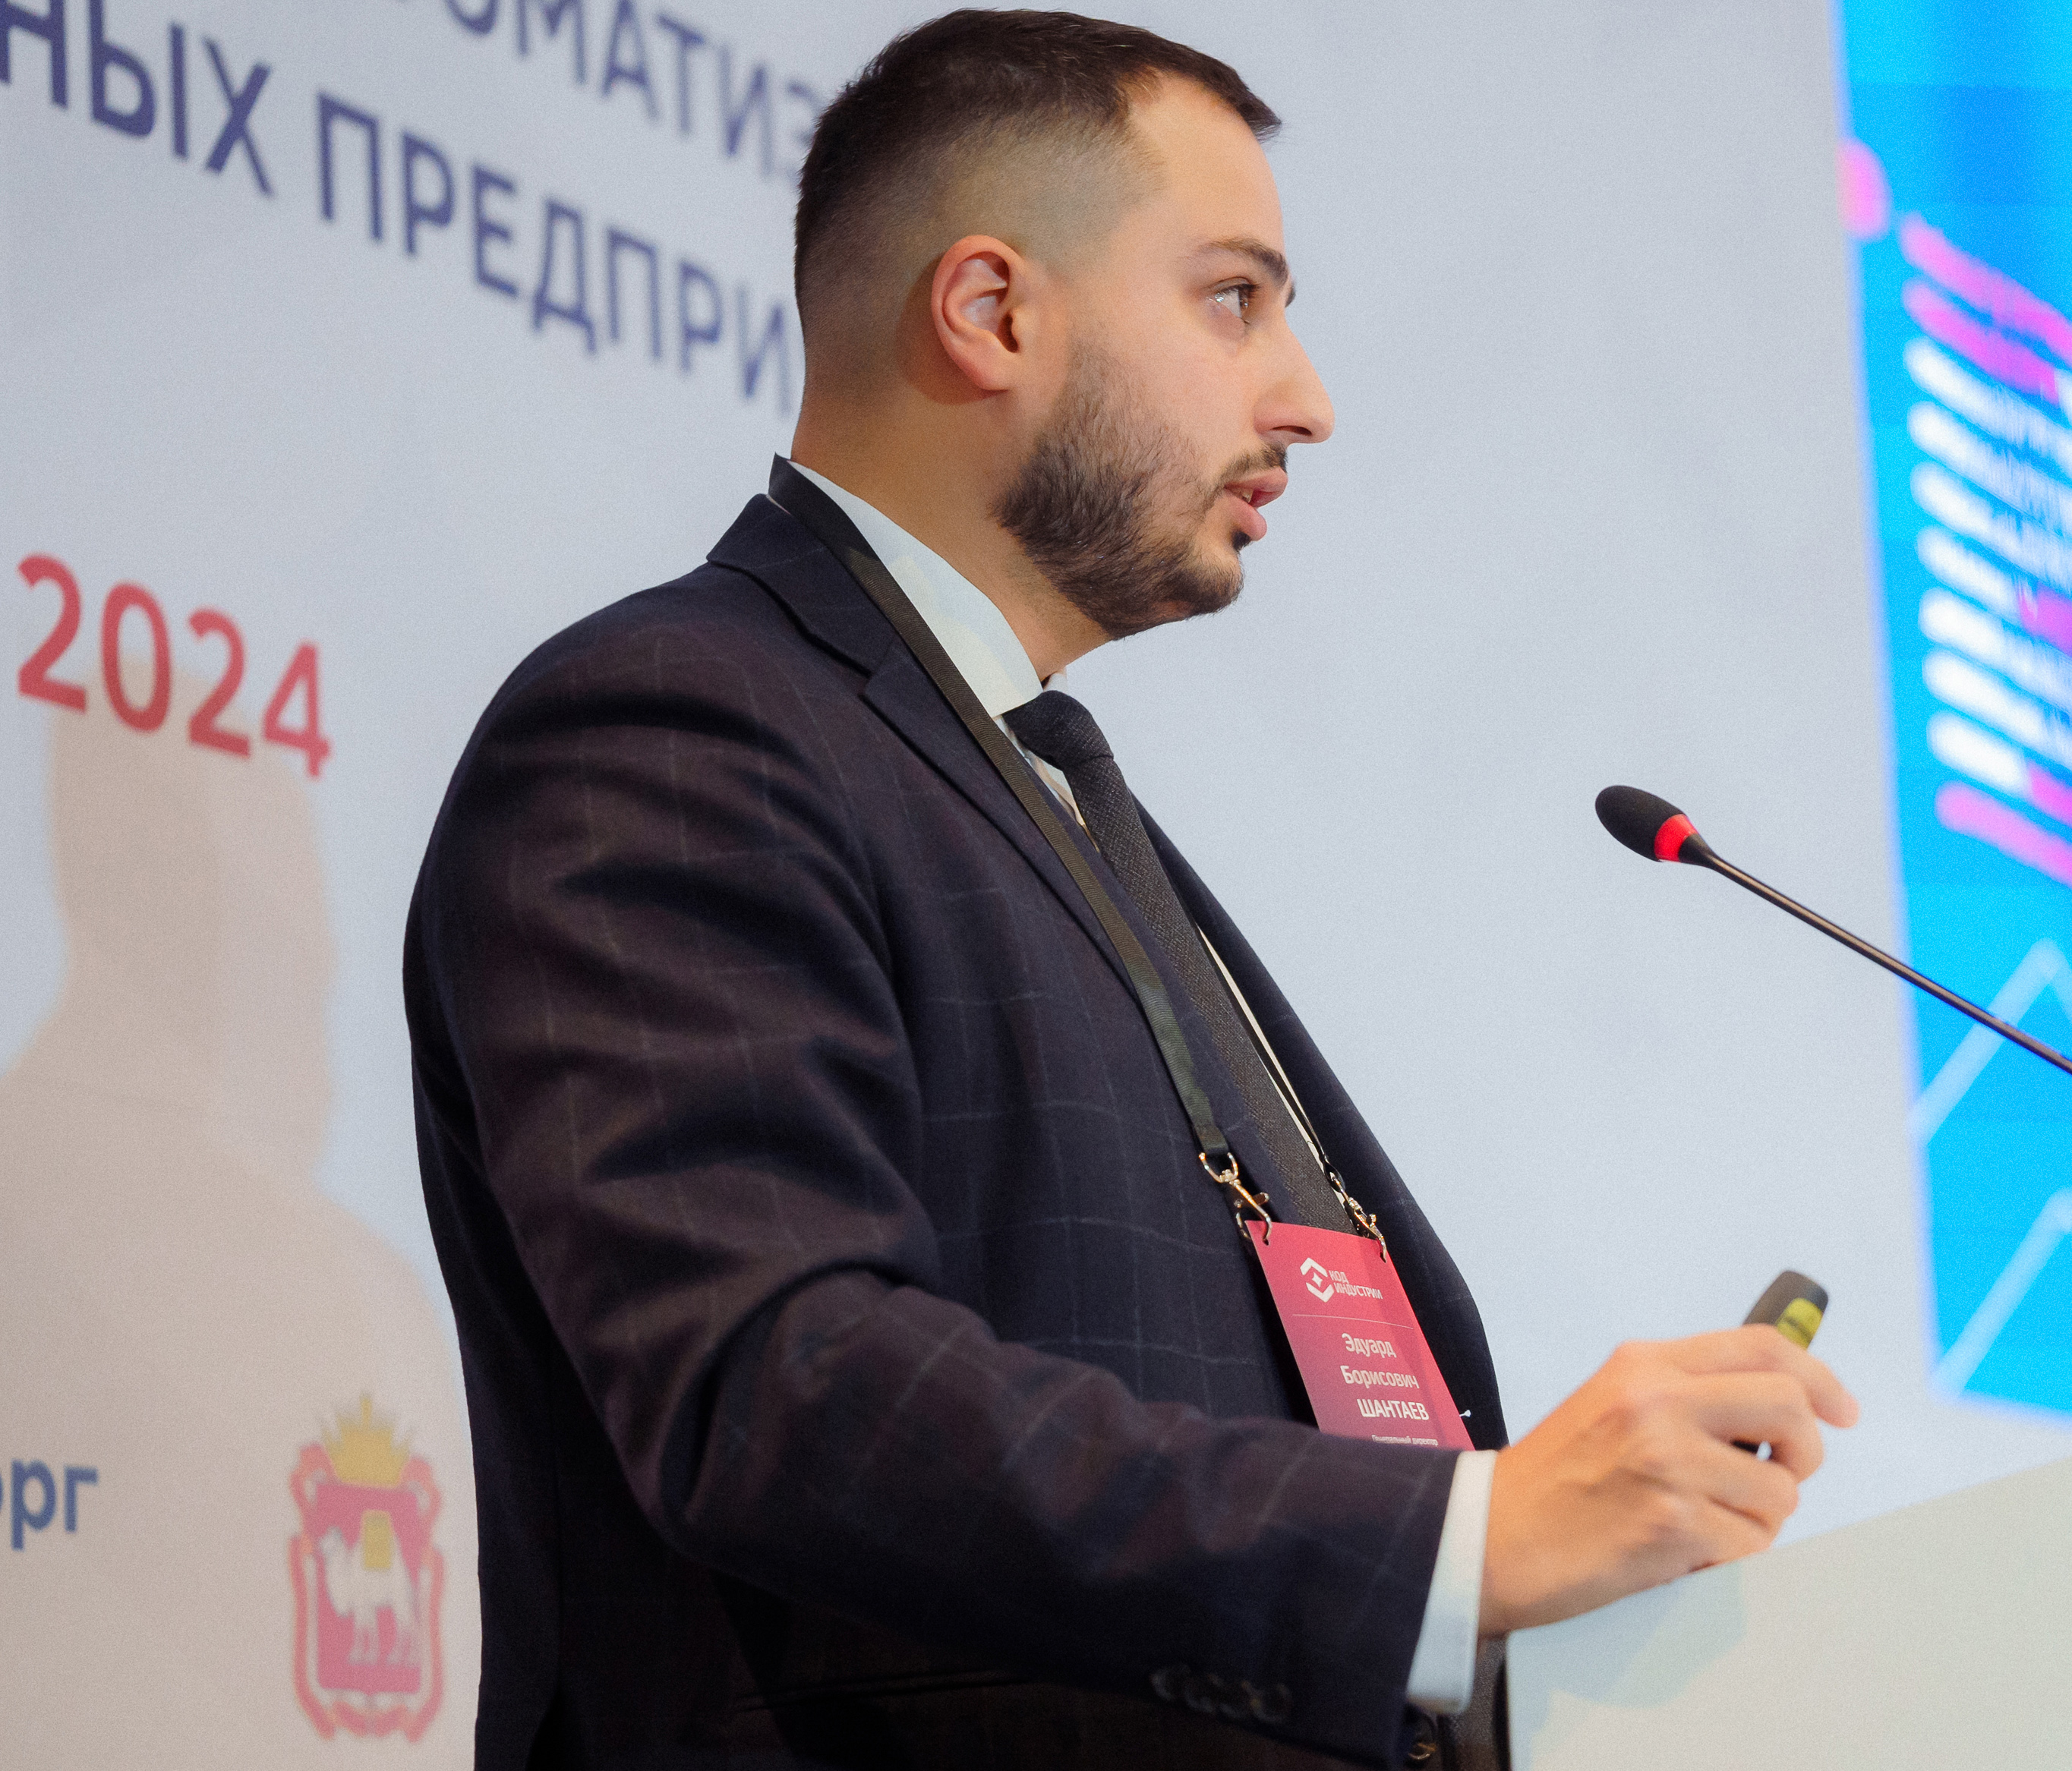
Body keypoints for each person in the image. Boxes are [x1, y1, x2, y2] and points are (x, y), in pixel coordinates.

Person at [405, 11, 1857, 1769]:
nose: (1305, 398)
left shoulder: (1057, 794)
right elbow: (775, 1389)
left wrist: (1521, 1597)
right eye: (1234, 298)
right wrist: (1458, 1543)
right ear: (991, 312)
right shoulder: (673, 729)